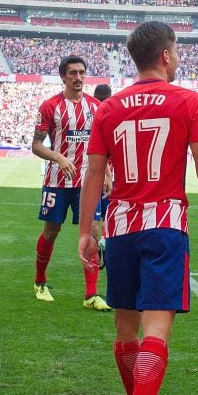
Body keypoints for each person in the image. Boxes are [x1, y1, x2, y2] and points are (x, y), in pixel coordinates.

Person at [77, 21, 198, 395]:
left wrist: (85, 228)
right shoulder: (187, 100)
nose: (177, 56)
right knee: (156, 328)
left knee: (125, 330)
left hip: (120, 227)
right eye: (176, 50)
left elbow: (94, 173)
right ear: (165, 55)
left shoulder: (109, 107)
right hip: (164, 224)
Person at [31, 55, 110, 311]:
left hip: (88, 182)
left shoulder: (97, 108)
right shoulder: (50, 106)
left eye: (82, 73)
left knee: (94, 233)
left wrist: (107, 172)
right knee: (51, 232)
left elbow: (104, 145)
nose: (78, 77)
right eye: (73, 73)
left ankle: (91, 295)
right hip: (57, 181)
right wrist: (59, 158)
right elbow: (36, 145)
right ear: (63, 76)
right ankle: (40, 281)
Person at [92, 83, 113, 269]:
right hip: (110, 175)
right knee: (110, 217)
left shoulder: (92, 115)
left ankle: (97, 254)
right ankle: (106, 248)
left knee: (94, 219)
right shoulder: (110, 115)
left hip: (92, 176)